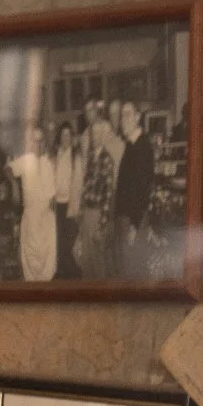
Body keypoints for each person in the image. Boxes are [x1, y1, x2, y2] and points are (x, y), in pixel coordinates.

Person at [7, 118, 59, 285]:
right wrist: (14, 185)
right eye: (34, 141)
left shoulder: (48, 162)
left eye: (40, 141)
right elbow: (7, 168)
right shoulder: (26, 160)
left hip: (45, 220)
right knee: (30, 263)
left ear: (43, 142)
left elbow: (52, 197)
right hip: (30, 218)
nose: (38, 145)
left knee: (47, 265)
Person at [76, 97, 121, 278]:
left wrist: (102, 224)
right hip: (87, 210)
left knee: (99, 260)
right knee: (86, 259)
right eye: (93, 133)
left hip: (99, 211)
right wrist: (80, 212)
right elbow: (84, 185)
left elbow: (109, 191)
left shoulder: (106, 156)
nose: (95, 136)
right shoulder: (88, 151)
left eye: (92, 110)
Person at [111, 102, 155, 279]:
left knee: (134, 273)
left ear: (138, 117)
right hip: (126, 218)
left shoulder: (143, 146)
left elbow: (143, 189)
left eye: (128, 114)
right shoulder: (130, 145)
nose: (123, 120)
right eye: (122, 115)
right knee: (127, 271)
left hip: (133, 219)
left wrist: (134, 226)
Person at [50, 118, 79, 277]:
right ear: (59, 137)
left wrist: (75, 207)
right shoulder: (55, 155)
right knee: (59, 242)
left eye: (68, 135)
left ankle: (73, 276)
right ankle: (62, 275)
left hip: (71, 205)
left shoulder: (76, 156)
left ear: (72, 137)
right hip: (57, 205)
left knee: (70, 244)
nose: (66, 138)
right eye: (63, 135)